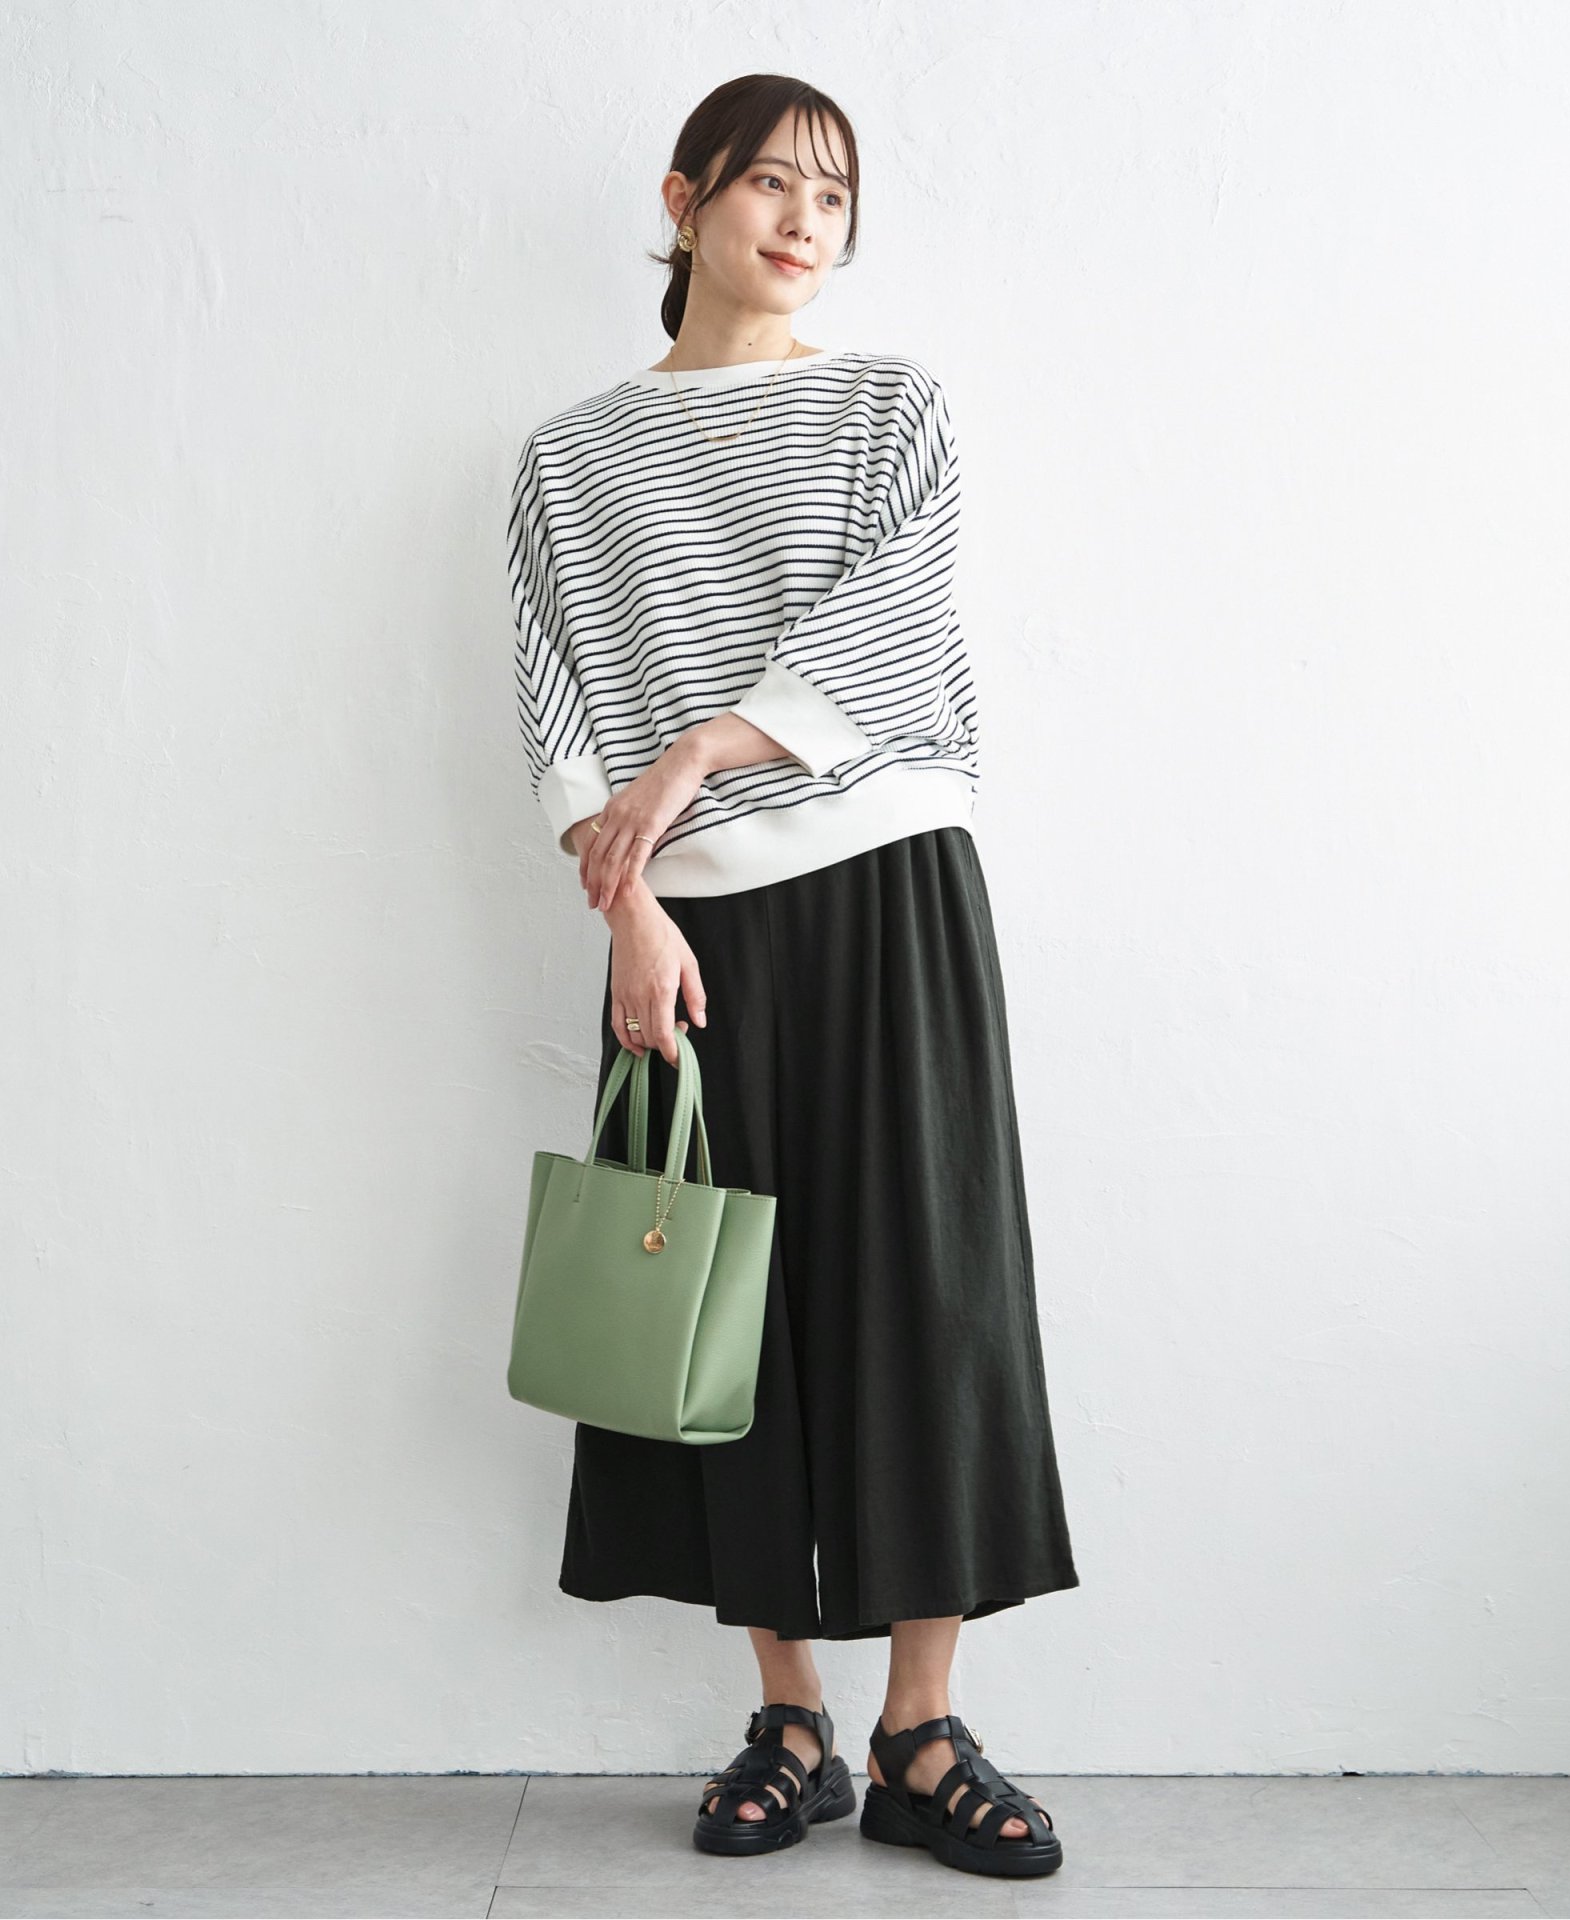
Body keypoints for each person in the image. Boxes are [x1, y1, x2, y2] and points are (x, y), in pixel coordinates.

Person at [507, 72, 1080, 1880]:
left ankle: (923, 1726)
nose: (805, 221)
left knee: (931, 1287)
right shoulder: (568, 459)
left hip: (893, 876)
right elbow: (556, 708)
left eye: (834, 195)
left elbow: (893, 623)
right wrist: (629, 910)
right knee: (723, 1314)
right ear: (685, 200)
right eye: (771, 182)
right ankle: (793, 1718)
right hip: (691, 926)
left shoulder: (891, 406)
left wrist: (695, 754)